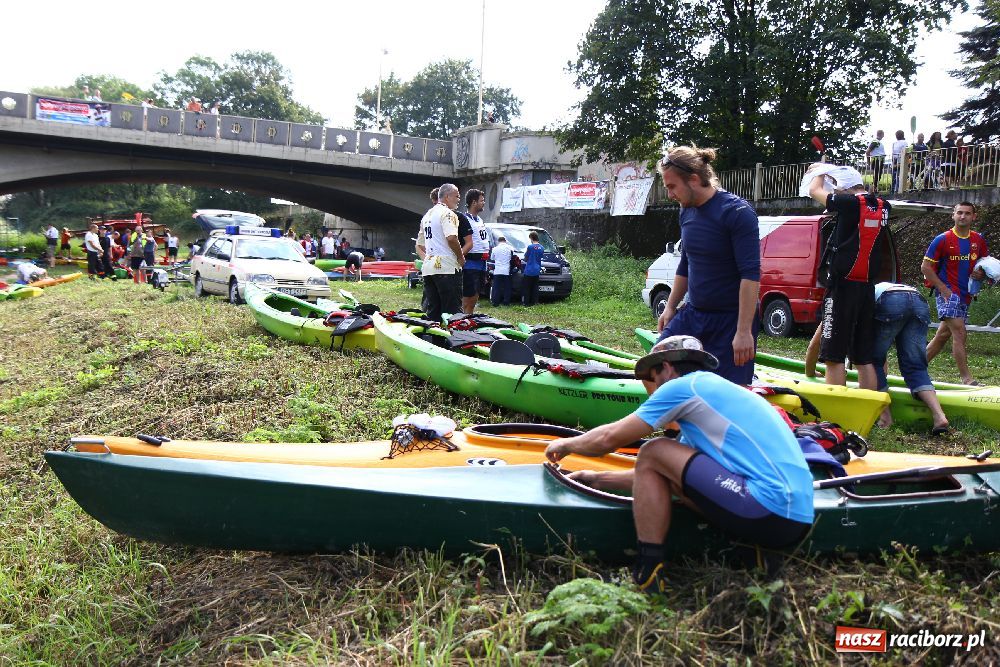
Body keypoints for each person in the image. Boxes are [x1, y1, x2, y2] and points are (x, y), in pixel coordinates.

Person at [544, 336, 813, 594]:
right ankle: (752, 551)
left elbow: (608, 439)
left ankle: (647, 573)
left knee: (652, 449)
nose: (652, 388)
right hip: (793, 521)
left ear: (667, 368)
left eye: (651, 378)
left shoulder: (683, 387)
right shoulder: (715, 397)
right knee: (663, 464)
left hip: (765, 505)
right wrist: (594, 479)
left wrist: (566, 444)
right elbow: (654, 477)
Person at [655, 145, 761, 385]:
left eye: (672, 187)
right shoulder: (686, 210)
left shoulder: (737, 212)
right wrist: (671, 306)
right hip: (694, 313)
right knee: (655, 365)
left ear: (693, 179)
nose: (670, 195)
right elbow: (686, 261)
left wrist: (743, 331)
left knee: (730, 392)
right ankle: (672, 422)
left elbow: (750, 274)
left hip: (731, 319)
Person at [807, 164, 889, 389]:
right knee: (863, 357)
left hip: (842, 286)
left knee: (834, 354)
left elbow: (815, 190)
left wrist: (820, 171)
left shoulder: (848, 203)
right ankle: (868, 407)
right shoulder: (883, 206)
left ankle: (835, 412)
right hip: (866, 287)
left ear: (843, 188)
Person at [923, 202, 988, 385]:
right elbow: (926, 268)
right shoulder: (942, 239)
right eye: (959, 212)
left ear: (974, 217)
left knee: (942, 336)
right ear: (953, 215)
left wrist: (980, 273)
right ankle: (967, 380)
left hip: (965, 295)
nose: (963, 216)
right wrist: (943, 289)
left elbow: (983, 266)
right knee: (959, 332)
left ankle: (914, 367)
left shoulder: (978, 240)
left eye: (967, 213)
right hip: (947, 294)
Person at [872, 283, 949, 434]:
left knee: (871, 361)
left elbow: (873, 358)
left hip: (890, 299)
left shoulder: (861, 293)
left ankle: (885, 418)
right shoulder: (879, 286)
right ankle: (939, 416)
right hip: (918, 300)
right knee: (915, 366)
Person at [418, 183, 465, 322]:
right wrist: (460, 257)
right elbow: (451, 238)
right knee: (452, 310)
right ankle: (455, 341)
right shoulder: (448, 214)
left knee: (433, 310)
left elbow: (420, 244)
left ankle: (432, 340)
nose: (458, 200)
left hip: (429, 267)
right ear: (447, 196)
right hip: (447, 267)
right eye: (457, 196)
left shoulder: (427, 215)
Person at [460, 189, 490, 314]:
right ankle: (459, 322)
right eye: (481, 200)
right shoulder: (464, 219)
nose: (484, 203)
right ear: (473, 202)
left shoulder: (479, 220)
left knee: (475, 297)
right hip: (470, 263)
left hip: (482, 264)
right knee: (467, 297)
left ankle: (468, 320)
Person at [521, 231, 544, 306]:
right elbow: (540, 258)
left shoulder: (530, 247)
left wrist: (524, 259)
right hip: (537, 269)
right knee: (535, 287)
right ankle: (535, 302)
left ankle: (526, 302)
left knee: (527, 287)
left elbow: (526, 257)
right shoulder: (542, 248)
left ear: (531, 238)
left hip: (529, 269)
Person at [490, 235, 514, 306]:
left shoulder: (495, 249)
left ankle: (495, 302)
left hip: (497, 270)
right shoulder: (510, 248)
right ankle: (506, 302)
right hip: (506, 270)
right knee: (507, 287)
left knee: (496, 287)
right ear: (505, 241)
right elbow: (513, 257)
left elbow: (492, 258)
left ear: (498, 241)